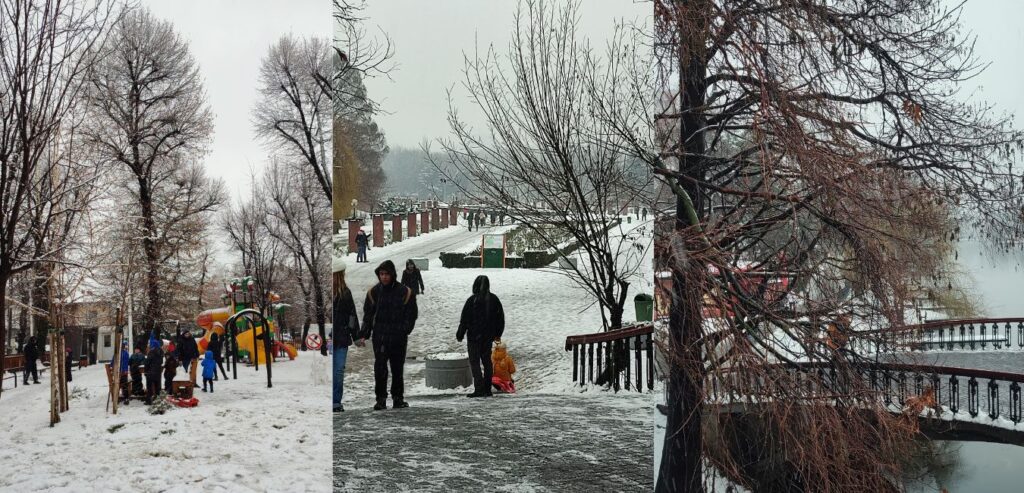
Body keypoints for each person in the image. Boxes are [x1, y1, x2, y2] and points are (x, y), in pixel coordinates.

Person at [361, 260, 418, 410]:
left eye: (386, 274)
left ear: (392, 274)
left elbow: (411, 314)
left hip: (398, 336)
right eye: (381, 274)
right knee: (380, 368)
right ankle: (381, 399)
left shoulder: (405, 292)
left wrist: (404, 329)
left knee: (397, 368)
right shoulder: (374, 293)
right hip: (380, 337)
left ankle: (398, 398)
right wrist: (364, 333)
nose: (384, 277)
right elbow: (368, 315)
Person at [456, 275, 505, 398]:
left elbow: (464, 319)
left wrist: (460, 333)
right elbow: (500, 319)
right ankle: (487, 389)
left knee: (475, 362)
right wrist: (497, 334)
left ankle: (479, 388)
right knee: (487, 361)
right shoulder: (494, 300)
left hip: (474, 336)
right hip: (488, 336)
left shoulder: (472, 300)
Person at [333, 257, 362, 412]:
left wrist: (356, 335)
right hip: (327, 339)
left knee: (338, 370)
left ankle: (335, 401)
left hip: (342, 337)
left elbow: (352, 316)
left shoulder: (345, 293)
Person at [144, 338, 163, 405]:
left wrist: (146, 371)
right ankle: (158, 400)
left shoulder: (151, 352)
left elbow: (147, 362)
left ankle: (149, 400)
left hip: (151, 372)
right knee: (157, 387)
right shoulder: (161, 351)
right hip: (157, 372)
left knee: (149, 387)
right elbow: (161, 362)